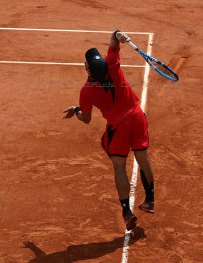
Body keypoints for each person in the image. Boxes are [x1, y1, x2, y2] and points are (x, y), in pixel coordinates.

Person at [63, 30, 154, 231]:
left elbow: (86, 119)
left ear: (88, 70)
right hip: (137, 117)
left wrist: (76, 111)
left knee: (119, 167)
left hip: (118, 127)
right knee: (143, 158)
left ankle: (126, 212)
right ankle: (150, 200)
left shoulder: (86, 91)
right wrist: (117, 34)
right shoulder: (112, 62)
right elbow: (114, 39)